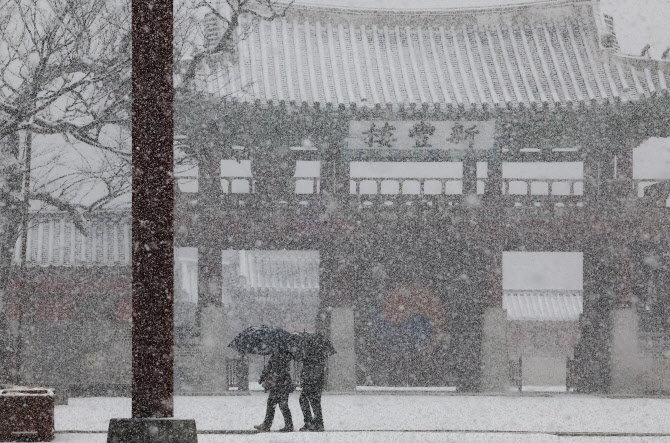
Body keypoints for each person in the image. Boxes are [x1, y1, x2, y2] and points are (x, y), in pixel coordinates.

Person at [254, 352, 294, 432]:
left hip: (280, 383)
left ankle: (268, 425)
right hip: (280, 383)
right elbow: (270, 367)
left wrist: (266, 376)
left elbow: (272, 368)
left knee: (278, 404)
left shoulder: (280, 355)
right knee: (277, 403)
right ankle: (287, 425)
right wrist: (264, 376)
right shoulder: (282, 355)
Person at [299, 344, 327, 431]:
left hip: (313, 383)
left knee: (313, 402)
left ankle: (315, 423)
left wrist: (308, 379)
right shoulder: (311, 357)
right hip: (311, 383)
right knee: (310, 401)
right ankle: (313, 422)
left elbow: (315, 372)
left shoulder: (315, 358)